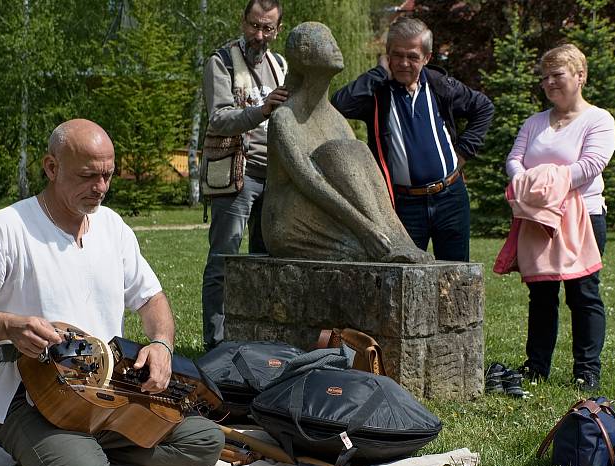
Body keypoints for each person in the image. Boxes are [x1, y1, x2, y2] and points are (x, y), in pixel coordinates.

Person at [0, 119, 224, 466]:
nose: (100, 188)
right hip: (31, 394)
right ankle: (56, 463)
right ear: (52, 168)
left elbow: (152, 299)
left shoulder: (112, 227)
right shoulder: (7, 229)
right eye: (87, 176)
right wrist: (8, 326)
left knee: (205, 442)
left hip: (108, 390)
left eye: (107, 175)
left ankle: (85, 452)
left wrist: (161, 345)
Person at [262, 21, 432, 264]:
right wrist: (364, 228)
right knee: (338, 152)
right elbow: (309, 181)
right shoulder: (285, 118)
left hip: (329, 212)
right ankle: (386, 242)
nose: (336, 47)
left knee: (356, 149)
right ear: (305, 53)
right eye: (327, 41)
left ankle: (398, 240)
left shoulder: (336, 119)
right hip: (291, 220)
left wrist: (377, 230)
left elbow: (357, 181)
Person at [331, 17, 494, 262]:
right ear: (387, 55)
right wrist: (378, 73)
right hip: (403, 204)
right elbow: (339, 105)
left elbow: (483, 107)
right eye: (396, 55)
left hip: (450, 198)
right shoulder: (378, 93)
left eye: (413, 57)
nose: (404, 63)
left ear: (427, 58)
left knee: (455, 274)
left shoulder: (440, 86)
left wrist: (462, 154)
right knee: (403, 275)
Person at [505, 44, 615, 391]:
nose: (549, 82)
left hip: (583, 217)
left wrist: (541, 181)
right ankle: (536, 367)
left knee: (583, 294)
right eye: (545, 77)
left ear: (580, 76)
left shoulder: (598, 119)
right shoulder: (534, 122)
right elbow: (514, 160)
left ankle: (587, 371)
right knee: (541, 296)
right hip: (538, 220)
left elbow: (591, 165)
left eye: (558, 75)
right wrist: (526, 181)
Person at [201, 0, 288, 349]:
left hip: (277, 178)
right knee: (224, 259)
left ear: (277, 30)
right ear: (243, 22)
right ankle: (216, 343)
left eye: (267, 28)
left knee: (266, 260)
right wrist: (262, 109)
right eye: (254, 25)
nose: (259, 34)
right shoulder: (220, 61)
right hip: (237, 172)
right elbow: (219, 118)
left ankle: (256, 340)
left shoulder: (280, 65)